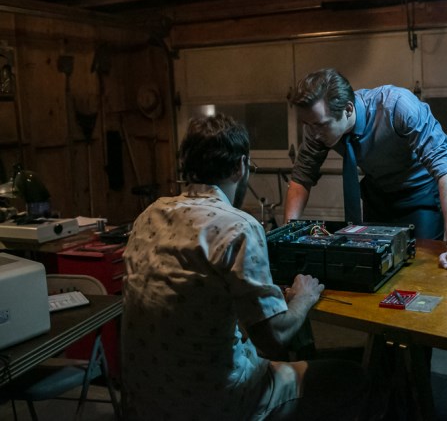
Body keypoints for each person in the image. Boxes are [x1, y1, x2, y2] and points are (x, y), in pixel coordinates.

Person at [122, 114, 369, 420]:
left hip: (145, 400)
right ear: (240, 165)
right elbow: (274, 338)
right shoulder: (238, 226)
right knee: (351, 376)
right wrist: (303, 297)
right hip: (217, 403)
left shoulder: (150, 214)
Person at [285, 68, 447, 270]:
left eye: (320, 125)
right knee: (375, 266)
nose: (314, 134)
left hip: (419, 196)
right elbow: (302, 177)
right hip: (377, 197)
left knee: (421, 267)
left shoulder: (397, 106)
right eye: (308, 125)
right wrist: (286, 235)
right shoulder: (317, 128)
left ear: (348, 109)